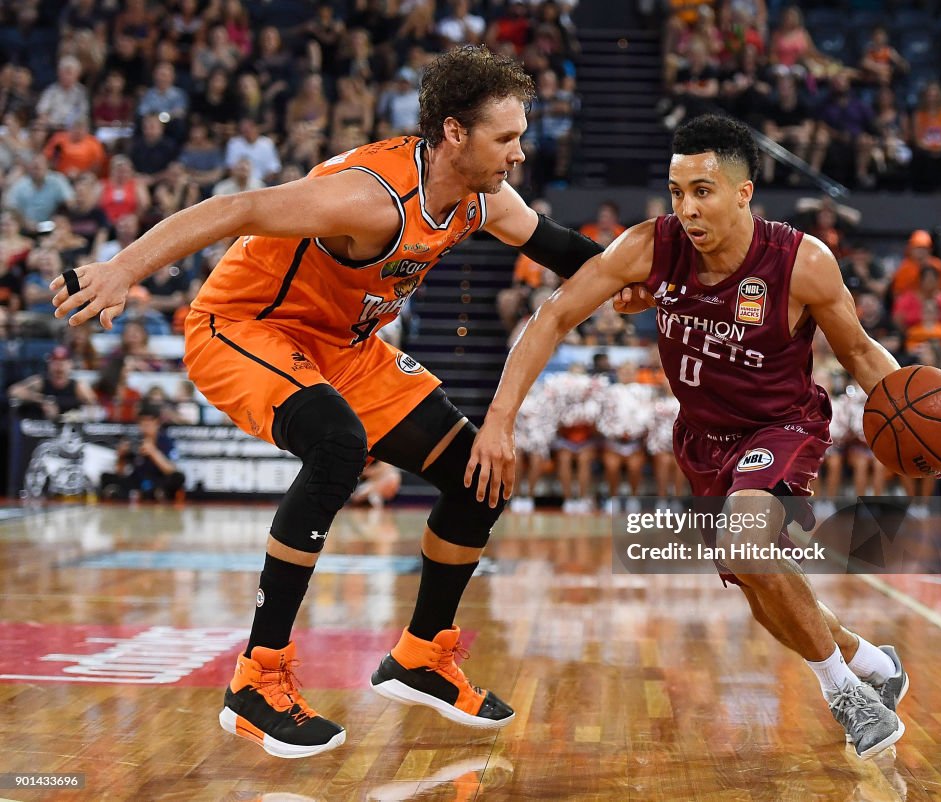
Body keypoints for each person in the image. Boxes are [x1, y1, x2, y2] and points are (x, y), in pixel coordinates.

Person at [50, 46, 608, 759]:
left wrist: (647, 279)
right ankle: (257, 678)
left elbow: (562, 246)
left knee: (480, 471)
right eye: (507, 138)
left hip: (344, 347)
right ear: (454, 134)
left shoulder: (480, 198)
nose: (520, 154)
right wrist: (124, 268)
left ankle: (421, 655)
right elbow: (238, 208)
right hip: (244, 327)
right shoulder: (368, 195)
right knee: (338, 444)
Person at [468, 114, 928, 759]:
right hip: (702, 438)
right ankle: (873, 662)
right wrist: (499, 418)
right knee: (757, 583)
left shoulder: (803, 262)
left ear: (743, 193)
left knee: (747, 544)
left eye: (703, 190)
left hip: (783, 424)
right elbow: (554, 316)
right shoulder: (650, 247)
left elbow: (857, 350)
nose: (686, 207)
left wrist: (911, 407)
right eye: (677, 190)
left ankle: (847, 694)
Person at [100, 403, 185, 500]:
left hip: (159, 481)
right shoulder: (133, 441)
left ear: (157, 423)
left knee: (178, 477)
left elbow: (170, 470)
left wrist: (153, 452)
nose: (146, 426)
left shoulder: (166, 441)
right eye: (143, 422)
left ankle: (153, 494)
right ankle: (134, 494)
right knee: (106, 477)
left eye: (149, 422)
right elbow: (120, 472)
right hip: (138, 482)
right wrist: (121, 456)